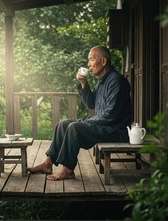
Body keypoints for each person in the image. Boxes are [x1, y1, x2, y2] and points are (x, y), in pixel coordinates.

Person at [27, 45, 132, 181]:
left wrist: (84, 121)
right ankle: (48, 163)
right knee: (63, 124)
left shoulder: (117, 81)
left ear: (104, 61)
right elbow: (91, 103)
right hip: (104, 126)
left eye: (91, 59)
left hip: (115, 130)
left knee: (74, 127)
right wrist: (83, 84)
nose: (88, 64)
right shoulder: (102, 82)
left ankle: (68, 170)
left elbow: (110, 115)